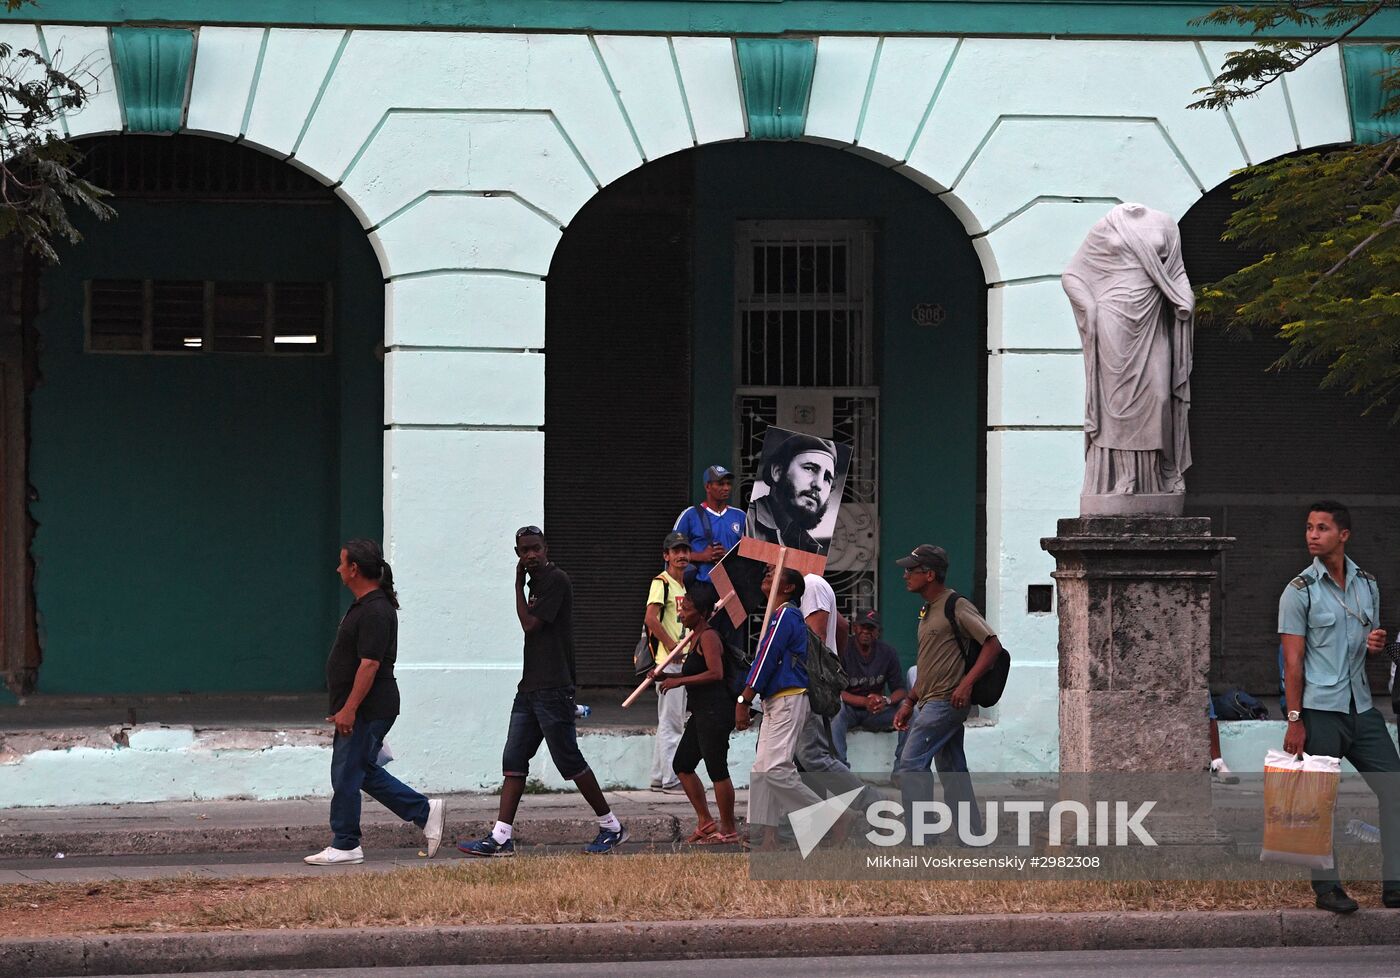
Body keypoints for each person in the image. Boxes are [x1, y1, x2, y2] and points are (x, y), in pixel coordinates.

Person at [457, 526, 627, 856]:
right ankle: (501, 838)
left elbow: (530, 625)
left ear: (546, 548)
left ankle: (612, 827)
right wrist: (524, 585)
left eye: (535, 548)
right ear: (517, 552)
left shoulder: (556, 581)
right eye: (524, 550)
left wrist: (517, 587)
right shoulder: (536, 582)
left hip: (553, 687)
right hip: (530, 688)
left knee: (569, 760)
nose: (530, 555)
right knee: (514, 760)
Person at [1277, 500, 1399, 913]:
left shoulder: (1368, 583)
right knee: (1318, 800)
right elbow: (1292, 663)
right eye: (1309, 527)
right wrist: (1295, 720)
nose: (1312, 534)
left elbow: (1371, 645)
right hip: (1319, 710)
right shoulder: (1298, 592)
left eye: (1322, 528)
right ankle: (1327, 889)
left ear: (1343, 535)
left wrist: (1375, 646)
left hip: (1362, 708)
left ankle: (1395, 884)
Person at [305, 539, 445, 866]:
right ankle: (424, 811)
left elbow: (369, 665)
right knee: (359, 772)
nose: (338, 568)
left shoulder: (376, 610)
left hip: (369, 707)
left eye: (342, 563)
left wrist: (350, 708)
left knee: (346, 774)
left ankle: (346, 843)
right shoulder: (366, 605)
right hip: (365, 707)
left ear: (354, 569)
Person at [892, 544, 1004, 841]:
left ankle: (922, 839)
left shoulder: (956, 605)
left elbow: (993, 645)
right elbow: (929, 664)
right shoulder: (929, 609)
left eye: (911, 570)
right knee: (952, 768)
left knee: (911, 764)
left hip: (946, 701)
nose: (905, 575)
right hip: (929, 699)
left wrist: (966, 684)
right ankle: (972, 835)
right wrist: (909, 701)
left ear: (929, 575)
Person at [736, 567, 825, 848]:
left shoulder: (787, 613)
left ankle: (832, 816)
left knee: (775, 770)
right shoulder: (778, 615)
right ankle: (767, 835)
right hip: (776, 700)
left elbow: (767, 657)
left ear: (789, 588)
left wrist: (744, 698)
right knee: (762, 769)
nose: (767, 573)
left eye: (774, 573)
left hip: (788, 698)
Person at [658, 584, 739, 844]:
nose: (681, 612)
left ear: (702, 613)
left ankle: (728, 829)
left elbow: (716, 673)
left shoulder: (709, 637)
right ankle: (705, 821)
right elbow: (694, 670)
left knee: (717, 769)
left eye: (688, 608)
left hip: (716, 711)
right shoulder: (694, 636)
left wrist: (679, 682)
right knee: (682, 764)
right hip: (702, 712)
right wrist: (667, 676)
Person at [831, 610, 907, 767]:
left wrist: (886, 700)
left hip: (876, 713)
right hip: (849, 711)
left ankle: (902, 769)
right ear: (854, 628)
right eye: (862, 627)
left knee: (908, 710)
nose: (866, 632)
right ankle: (840, 770)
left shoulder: (888, 653)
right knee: (836, 709)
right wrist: (864, 701)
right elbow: (835, 691)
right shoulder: (843, 649)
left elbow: (900, 690)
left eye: (871, 628)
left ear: (878, 632)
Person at [647, 532, 690, 793]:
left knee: (668, 719)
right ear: (667, 556)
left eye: (685, 550)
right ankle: (671, 778)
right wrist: (672, 647)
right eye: (676, 551)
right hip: (667, 663)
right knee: (673, 722)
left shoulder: (683, 587)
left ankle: (657, 775)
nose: (682, 555)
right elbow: (651, 618)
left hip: (678, 663)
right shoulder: (661, 582)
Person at [747, 433, 839, 555]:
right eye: (810, 468)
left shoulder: (809, 547)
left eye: (827, 478)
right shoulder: (744, 522)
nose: (819, 485)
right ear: (778, 472)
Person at [674, 465, 746, 585]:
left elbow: (751, 555)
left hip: (733, 586)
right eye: (721, 484)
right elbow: (672, 553)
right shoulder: (690, 515)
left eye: (728, 484)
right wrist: (702, 556)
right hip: (701, 585)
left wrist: (728, 556)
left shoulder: (740, 516)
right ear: (708, 486)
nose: (726, 488)